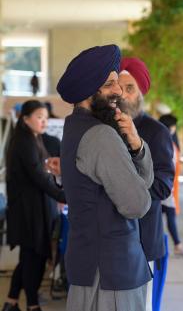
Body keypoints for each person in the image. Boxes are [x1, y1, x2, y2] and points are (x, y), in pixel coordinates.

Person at [56, 45, 154, 311]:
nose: (119, 91)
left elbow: (138, 189)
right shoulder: (101, 136)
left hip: (93, 267)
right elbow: (137, 204)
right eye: (110, 84)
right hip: (111, 276)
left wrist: (136, 145)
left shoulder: (74, 127)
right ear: (91, 89)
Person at [119, 57, 175, 311]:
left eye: (129, 88)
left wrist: (127, 191)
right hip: (108, 242)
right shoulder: (101, 129)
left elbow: (163, 187)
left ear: (141, 93)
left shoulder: (156, 132)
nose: (122, 95)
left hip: (142, 241)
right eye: (118, 88)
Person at [2, 100, 65, 311]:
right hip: (29, 212)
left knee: (29, 257)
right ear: (25, 119)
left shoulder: (32, 138)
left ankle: (11, 302)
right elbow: (37, 176)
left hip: (34, 209)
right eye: (39, 117)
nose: (44, 121)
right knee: (33, 259)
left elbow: (40, 172)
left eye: (46, 117)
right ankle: (32, 305)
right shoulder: (23, 141)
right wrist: (65, 195)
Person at [158, 114, 183, 256]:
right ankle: (177, 244)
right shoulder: (165, 142)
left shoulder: (166, 141)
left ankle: (174, 244)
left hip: (169, 186)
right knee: (167, 215)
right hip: (167, 187)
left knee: (163, 215)